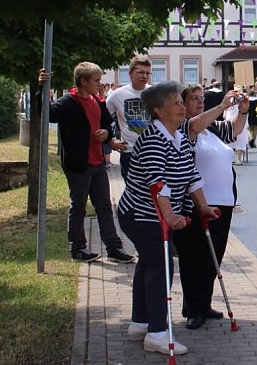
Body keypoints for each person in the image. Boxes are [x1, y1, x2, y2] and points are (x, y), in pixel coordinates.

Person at [116, 81, 221, 356]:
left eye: (179, 101)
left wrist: (203, 206)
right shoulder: (153, 138)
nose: (181, 106)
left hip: (154, 214)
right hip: (143, 214)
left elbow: (191, 175)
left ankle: (140, 323)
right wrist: (171, 215)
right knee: (161, 268)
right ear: (159, 111)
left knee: (149, 266)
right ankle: (157, 333)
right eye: (175, 103)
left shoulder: (177, 135)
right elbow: (157, 184)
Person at [40, 64, 135, 264]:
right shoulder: (67, 103)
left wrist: (106, 134)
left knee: (105, 206)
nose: (99, 84)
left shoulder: (96, 101)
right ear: (83, 81)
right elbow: (48, 114)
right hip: (78, 165)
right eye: (96, 80)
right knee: (79, 207)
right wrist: (42, 88)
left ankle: (113, 247)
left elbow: (106, 125)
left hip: (97, 162)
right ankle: (78, 248)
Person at [173, 84, 248, 331]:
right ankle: (193, 308)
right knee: (194, 256)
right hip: (198, 203)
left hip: (223, 201)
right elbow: (195, 126)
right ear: (182, 104)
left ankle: (204, 303)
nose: (199, 102)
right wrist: (221, 106)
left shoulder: (213, 128)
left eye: (201, 98)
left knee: (213, 257)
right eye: (193, 99)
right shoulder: (184, 127)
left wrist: (244, 111)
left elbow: (234, 130)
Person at [105, 55, 152, 183]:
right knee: (132, 192)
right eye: (141, 72)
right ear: (130, 74)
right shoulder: (117, 95)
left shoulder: (155, 93)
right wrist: (111, 141)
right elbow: (102, 118)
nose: (145, 76)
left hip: (154, 152)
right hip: (130, 153)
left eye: (148, 73)